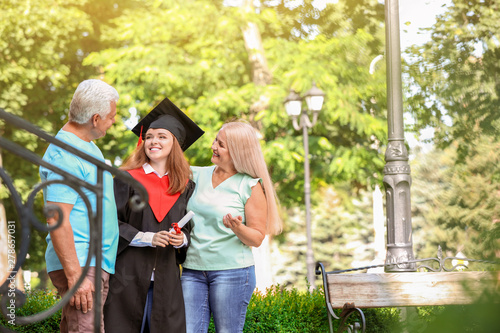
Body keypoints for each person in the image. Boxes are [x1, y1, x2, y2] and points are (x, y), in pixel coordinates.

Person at [104, 97, 204, 333]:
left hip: (166, 280)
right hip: (127, 278)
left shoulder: (184, 185)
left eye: (161, 136)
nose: (153, 141)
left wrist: (182, 239)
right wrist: (147, 237)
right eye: (148, 136)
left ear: (175, 143)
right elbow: (108, 223)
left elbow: (186, 227)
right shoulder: (126, 179)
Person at [181, 121, 282, 333]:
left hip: (232, 273)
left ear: (237, 151)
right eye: (215, 140)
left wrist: (238, 228)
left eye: (221, 144)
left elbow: (256, 238)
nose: (213, 146)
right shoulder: (196, 175)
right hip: (193, 270)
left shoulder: (249, 185)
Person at [39, 79, 120, 333]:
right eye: (112, 116)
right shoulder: (65, 154)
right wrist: (76, 277)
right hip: (82, 265)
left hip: (93, 262)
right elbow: (56, 219)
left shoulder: (86, 146)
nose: (114, 121)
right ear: (95, 119)